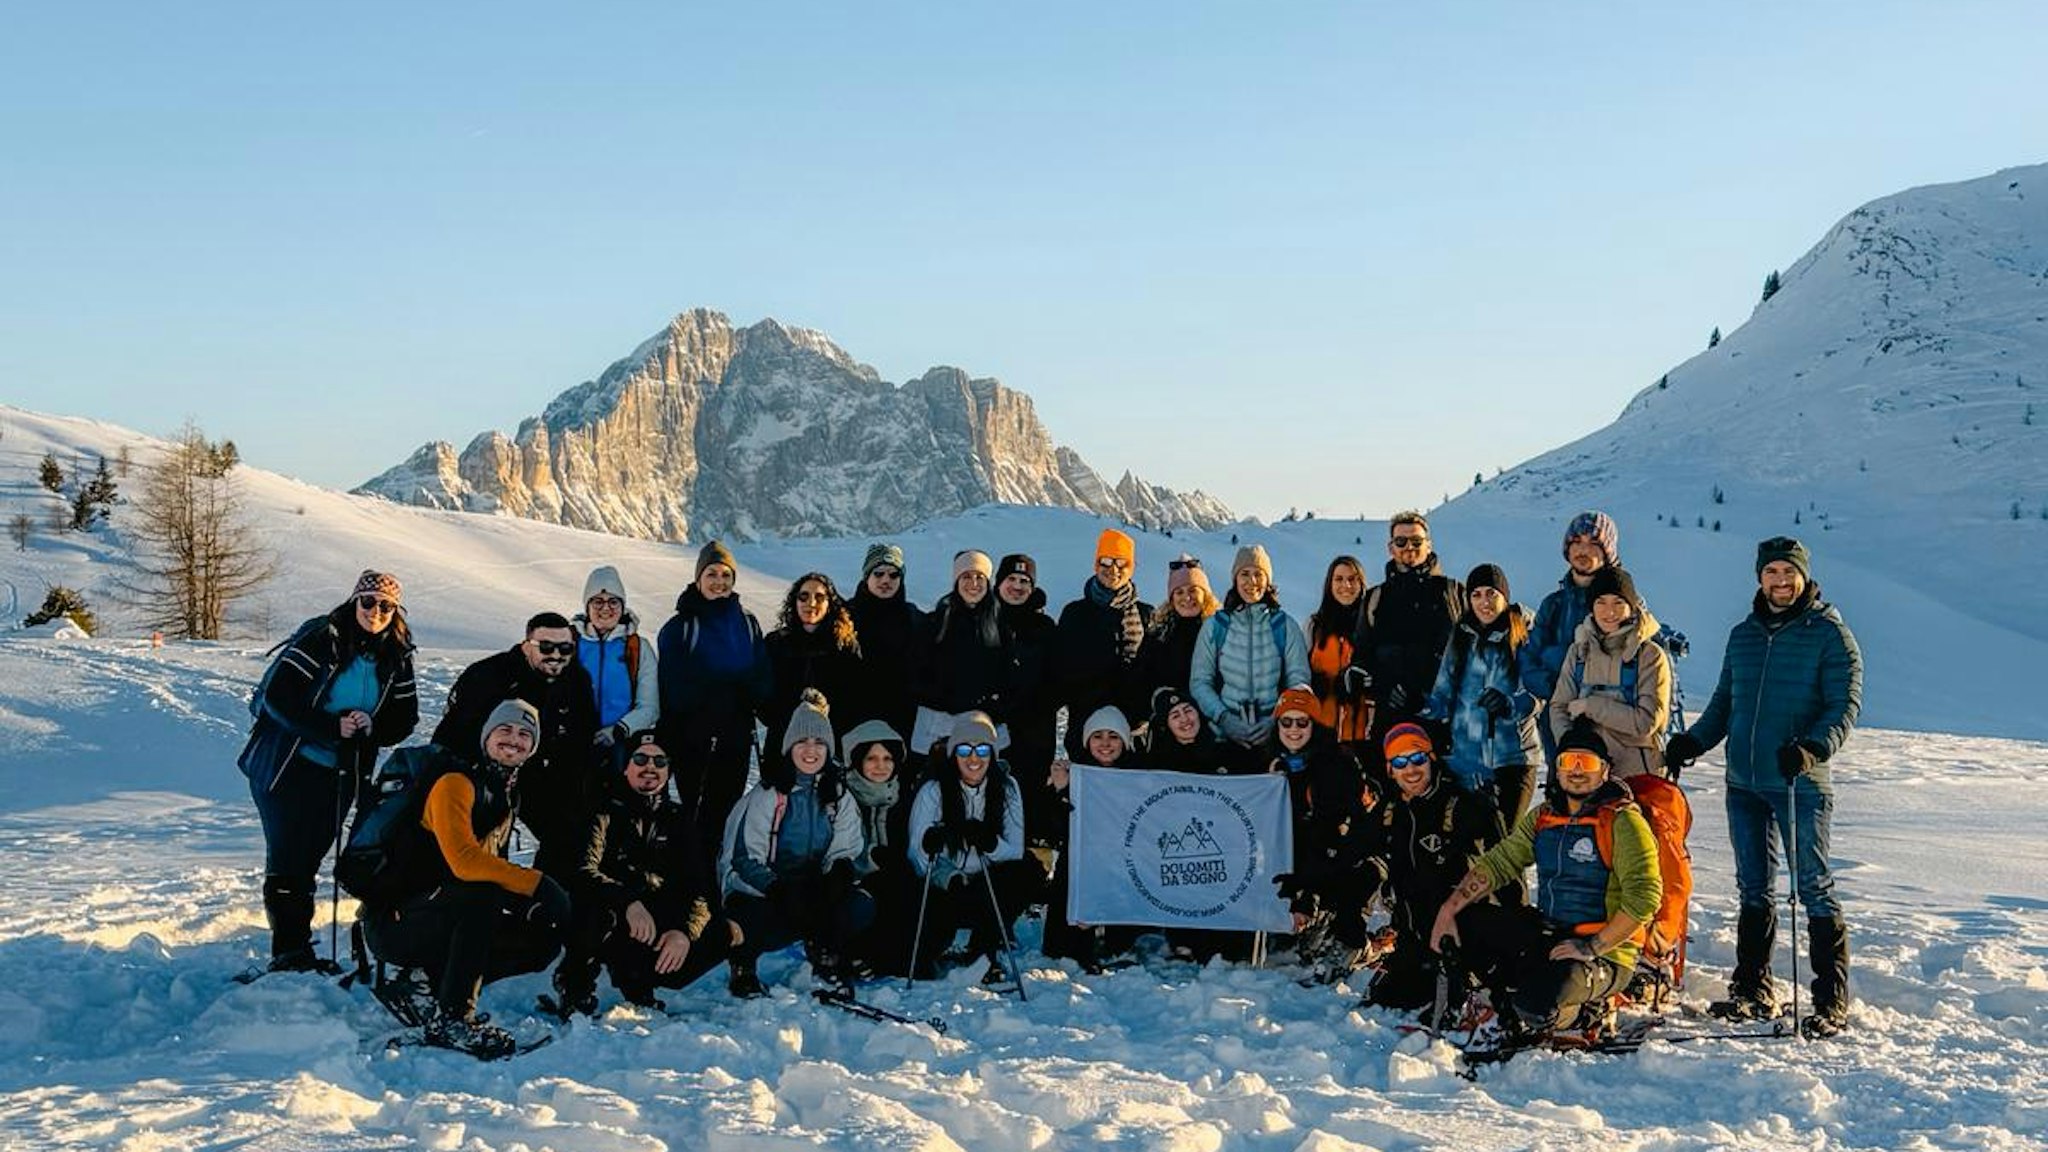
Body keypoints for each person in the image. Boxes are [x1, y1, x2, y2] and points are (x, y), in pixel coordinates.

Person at [1665, 536, 1862, 1037]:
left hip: (1799, 781)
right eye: (1771, 572)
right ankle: (1752, 989)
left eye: (1787, 572)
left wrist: (1813, 748)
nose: (1779, 581)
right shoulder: (1744, 635)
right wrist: (1693, 741)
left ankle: (1829, 998)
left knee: (1813, 887)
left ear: (1803, 576)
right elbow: (1726, 704)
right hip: (1744, 783)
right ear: (1759, 577)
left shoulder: (1830, 635)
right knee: (1752, 887)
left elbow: (1844, 706)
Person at [360, 699, 572, 1058]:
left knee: (540, 939)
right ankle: (453, 1018)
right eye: (504, 730)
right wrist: (539, 884)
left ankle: (426, 985)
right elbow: (465, 863)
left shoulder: (502, 792)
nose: (514, 740)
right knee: (481, 897)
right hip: (395, 924)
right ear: (486, 736)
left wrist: (534, 904)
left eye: (525, 735)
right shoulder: (456, 782)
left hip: (440, 912)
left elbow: (487, 868)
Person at [1428, 722, 1662, 1039]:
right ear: (1557, 768)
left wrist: (1592, 946)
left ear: (1605, 770)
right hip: (1549, 936)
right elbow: (1500, 863)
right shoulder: (1544, 817)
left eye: (1588, 763)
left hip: (1604, 953)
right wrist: (1449, 909)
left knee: (1536, 1005)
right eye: (1569, 762)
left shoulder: (1623, 821)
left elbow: (1644, 898)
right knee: (1463, 925)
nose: (1577, 771)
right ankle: (1504, 1000)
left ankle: (1590, 1013)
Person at [240, 570, 420, 973]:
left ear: (396, 612)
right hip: (286, 767)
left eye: (386, 606)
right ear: (354, 601)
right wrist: (329, 726)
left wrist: (373, 727)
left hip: (341, 772)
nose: (376, 612)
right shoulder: (323, 639)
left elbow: (406, 717)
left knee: (312, 853)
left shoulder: (397, 655)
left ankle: (295, 948)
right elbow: (277, 698)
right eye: (369, 602)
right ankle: (288, 952)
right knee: (289, 856)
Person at [552, 730, 729, 1016]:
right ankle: (575, 984)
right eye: (641, 759)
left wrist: (684, 931)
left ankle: (642, 979)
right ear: (626, 766)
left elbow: (698, 884)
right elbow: (582, 871)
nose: (650, 767)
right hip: (612, 917)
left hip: (653, 921)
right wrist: (627, 902)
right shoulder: (602, 810)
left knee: (722, 932)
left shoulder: (677, 818)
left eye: (660, 761)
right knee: (596, 910)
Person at [718, 691, 872, 997]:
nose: (811, 751)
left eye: (819, 743)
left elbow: (847, 846)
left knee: (859, 905)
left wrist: (838, 875)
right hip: (765, 890)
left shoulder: (836, 794)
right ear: (790, 748)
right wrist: (777, 889)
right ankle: (743, 965)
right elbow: (744, 860)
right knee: (750, 917)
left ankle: (826, 952)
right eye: (802, 743)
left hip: (810, 888)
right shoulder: (768, 794)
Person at [1352, 723, 1511, 1016]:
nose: (1410, 769)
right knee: (1384, 1000)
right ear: (1390, 770)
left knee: (1448, 1005)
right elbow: (1355, 854)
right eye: (1400, 762)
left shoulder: (1461, 805)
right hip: (1414, 937)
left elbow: (1503, 866)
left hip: (1459, 938)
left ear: (1432, 759)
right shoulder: (1389, 811)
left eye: (1417, 759)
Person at [434, 611, 599, 879]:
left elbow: (581, 738)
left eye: (565, 648)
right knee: (480, 851)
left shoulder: (576, 680)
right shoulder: (489, 675)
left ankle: (544, 901)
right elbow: (449, 737)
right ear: (526, 646)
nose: (556, 655)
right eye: (545, 647)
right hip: (482, 774)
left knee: (567, 835)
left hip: (539, 774)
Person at [657, 541, 772, 874]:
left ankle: (718, 881)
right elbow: (673, 686)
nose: (719, 581)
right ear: (698, 579)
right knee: (693, 812)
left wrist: (754, 694)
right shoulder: (681, 626)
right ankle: (689, 883)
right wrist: (719, 692)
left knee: (729, 809)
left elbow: (762, 671)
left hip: (735, 734)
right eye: (711, 574)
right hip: (694, 737)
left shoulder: (747, 622)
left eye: (726, 575)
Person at [908, 712, 1030, 984]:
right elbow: (915, 855)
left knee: (1025, 872)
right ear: (953, 753)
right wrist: (935, 853)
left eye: (983, 749)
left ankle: (984, 949)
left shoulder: (1007, 788)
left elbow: (1016, 850)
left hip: (987, 884)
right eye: (965, 749)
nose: (974, 758)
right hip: (946, 887)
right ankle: (938, 946)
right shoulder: (934, 790)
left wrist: (990, 843)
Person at [1421, 563, 1543, 826]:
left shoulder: (1525, 632)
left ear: (1504, 597)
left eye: (1491, 594)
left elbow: (1540, 691)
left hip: (1514, 758)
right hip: (1466, 762)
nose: (1484, 602)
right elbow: (1442, 694)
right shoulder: (1462, 635)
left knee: (1506, 845)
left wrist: (1509, 704)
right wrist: (1420, 707)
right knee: (1470, 846)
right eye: (1476, 595)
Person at [1267, 688, 1374, 969]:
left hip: (1341, 853)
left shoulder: (1337, 763)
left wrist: (1306, 895)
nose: (1293, 729)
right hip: (1294, 855)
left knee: (1355, 870)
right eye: (1286, 722)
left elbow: (1334, 833)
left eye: (1302, 722)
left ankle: (1347, 936)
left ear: (1314, 725)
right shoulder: (1269, 760)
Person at [1347, 512, 1463, 770]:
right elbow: (1363, 653)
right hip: (1391, 716)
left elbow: (1471, 653)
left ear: (1429, 545)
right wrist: (1363, 679)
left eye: (1416, 541)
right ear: (1390, 548)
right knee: (1392, 799)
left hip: (1444, 721)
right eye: (1401, 542)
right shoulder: (1376, 597)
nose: (1409, 547)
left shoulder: (1454, 592)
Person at [1190, 544, 1311, 772]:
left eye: (1258, 574)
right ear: (1235, 579)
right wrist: (1225, 719)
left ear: (1268, 581)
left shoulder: (1285, 625)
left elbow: (1299, 680)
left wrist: (1276, 719)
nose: (1251, 581)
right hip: (1223, 738)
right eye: (1244, 574)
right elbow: (1200, 682)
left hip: (1275, 738)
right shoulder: (1216, 626)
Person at [1547, 566, 1671, 779]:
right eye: (1601, 602)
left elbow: (1645, 723)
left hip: (1637, 776)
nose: (1609, 611)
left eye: (1618, 603)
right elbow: (1559, 707)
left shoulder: (1649, 655)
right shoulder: (1579, 652)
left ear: (1631, 607)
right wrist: (1573, 744)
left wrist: (1589, 706)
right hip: (1585, 775)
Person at [1526, 512, 1622, 763]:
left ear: (1607, 551)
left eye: (1593, 543)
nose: (1583, 550)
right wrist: (1559, 692)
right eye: (1577, 542)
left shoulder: (1624, 605)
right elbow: (1529, 659)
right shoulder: (1554, 605)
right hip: (1558, 723)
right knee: (1562, 792)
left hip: (1609, 725)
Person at [991, 553, 1061, 898]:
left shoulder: (1044, 627)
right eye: (1012, 580)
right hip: (994, 730)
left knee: (1033, 803)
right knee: (995, 800)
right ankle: (992, 875)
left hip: (1035, 732)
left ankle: (1034, 878)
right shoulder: (985, 620)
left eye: (1025, 582)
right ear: (999, 583)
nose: (1017, 587)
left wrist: (1038, 703)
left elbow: (1059, 678)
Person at [1052, 529, 1155, 747]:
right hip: (1087, 730)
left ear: (1131, 568)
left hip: (1134, 732)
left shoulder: (1146, 614)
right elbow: (1060, 669)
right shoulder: (1075, 613)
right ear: (1096, 565)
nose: (1113, 570)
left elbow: (1152, 670)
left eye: (1121, 563)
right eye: (1106, 561)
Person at [911, 550, 1015, 763]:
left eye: (980, 577)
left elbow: (1008, 674)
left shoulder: (1000, 625)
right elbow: (917, 671)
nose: (973, 583)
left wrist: (997, 706)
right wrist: (944, 698)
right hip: (939, 724)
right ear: (956, 581)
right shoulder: (936, 622)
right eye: (966, 576)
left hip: (985, 722)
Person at [840, 719, 918, 977]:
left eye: (887, 758)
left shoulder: (904, 797)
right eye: (872, 758)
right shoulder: (841, 795)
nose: (880, 766)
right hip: (852, 881)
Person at [761, 572, 863, 755]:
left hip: (832, 743)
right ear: (794, 601)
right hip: (782, 741)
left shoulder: (845, 647)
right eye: (804, 596)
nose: (811, 603)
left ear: (830, 604)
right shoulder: (776, 643)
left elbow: (855, 698)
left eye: (820, 597)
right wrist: (783, 718)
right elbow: (763, 692)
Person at [573, 566, 660, 771]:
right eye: (598, 601)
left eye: (614, 601)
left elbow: (650, 705)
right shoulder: (571, 642)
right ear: (587, 606)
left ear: (622, 607)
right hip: (575, 740)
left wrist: (620, 730)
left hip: (623, 742)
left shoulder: (638, 648)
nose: (606, 608)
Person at [846, 543, 925, 742]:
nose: (886, 580)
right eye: (879, 573)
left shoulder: (915, 619)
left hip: (902, 724)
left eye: (894, 575)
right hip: (851, 722)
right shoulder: (844, 617)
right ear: (867, 576)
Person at [1306, 555, 1374, 752]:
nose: (1346, 585)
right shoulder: (1315, 626)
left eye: (1353, 579)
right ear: (1329, 584)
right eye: (1339, 579)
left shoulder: (1373, 626)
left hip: (1364, 730)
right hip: (1323, 726)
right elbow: (1299, 673)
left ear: (1362, 584)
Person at [1139, 553, 1218, 701]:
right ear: (1171, 598)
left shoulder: (1220, 631)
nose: (1187, 598)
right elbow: (1143, 684)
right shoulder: (1158, 635)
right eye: (1179, 592)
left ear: (1205, 595)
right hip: (1173, 717)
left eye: (1193, 590)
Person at [1143, 686, 1231, 774]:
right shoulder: (1159, 765)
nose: (1185, 719)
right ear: (1166, 725)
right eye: (1175, 716)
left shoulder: (1226, 752)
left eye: (1188, 711)